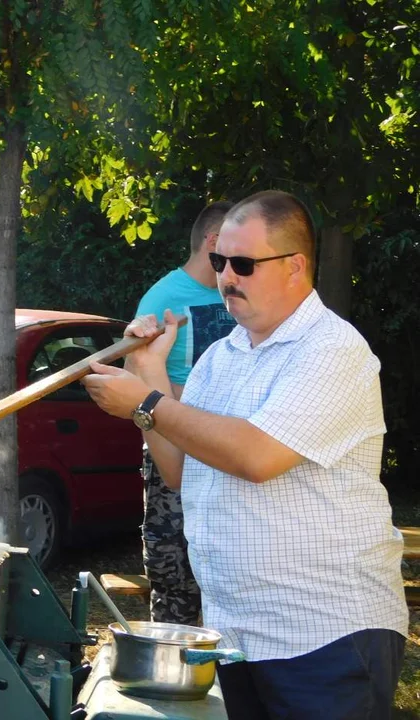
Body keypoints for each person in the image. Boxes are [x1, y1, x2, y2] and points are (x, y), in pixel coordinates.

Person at [83, 190, 407, 719]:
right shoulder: (221, 356)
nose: (226, 276)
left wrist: (145, 401)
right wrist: (149, 372)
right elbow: (182, 472)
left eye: (244, 263)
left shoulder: (332, 350)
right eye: (219, 261)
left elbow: (256, 457)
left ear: (296, 267)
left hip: (325, 636)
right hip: (238, 637)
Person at [133, 200, 237, 626]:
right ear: (214, 243)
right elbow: (135, 382)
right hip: (173, 452)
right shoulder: (163, 298)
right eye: (235, 252)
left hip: (228, 447)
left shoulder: (243, 299)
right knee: (176, 575)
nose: (239, 270)